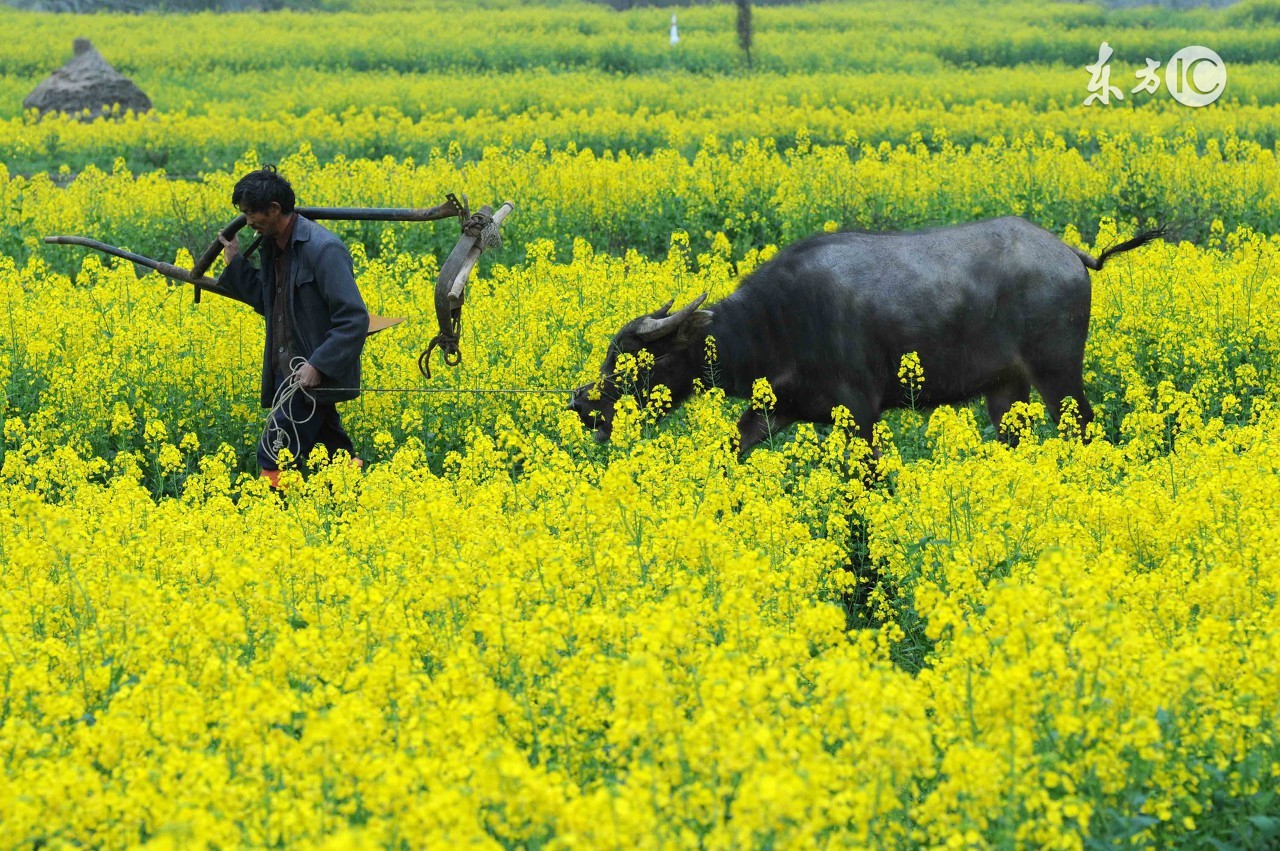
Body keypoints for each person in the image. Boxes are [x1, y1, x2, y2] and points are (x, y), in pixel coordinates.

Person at [217, 166, 369, 487]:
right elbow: (269, 301)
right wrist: (235, 263)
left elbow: (354, 318)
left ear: (274, 209)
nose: (248, 221)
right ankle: (353, 502)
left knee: (274, 451)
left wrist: (318, 365)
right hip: (290, 375)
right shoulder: (274, 246)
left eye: (251, 213)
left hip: (309, 375)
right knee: (331, 452)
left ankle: (275, 510)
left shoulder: (322, 249)